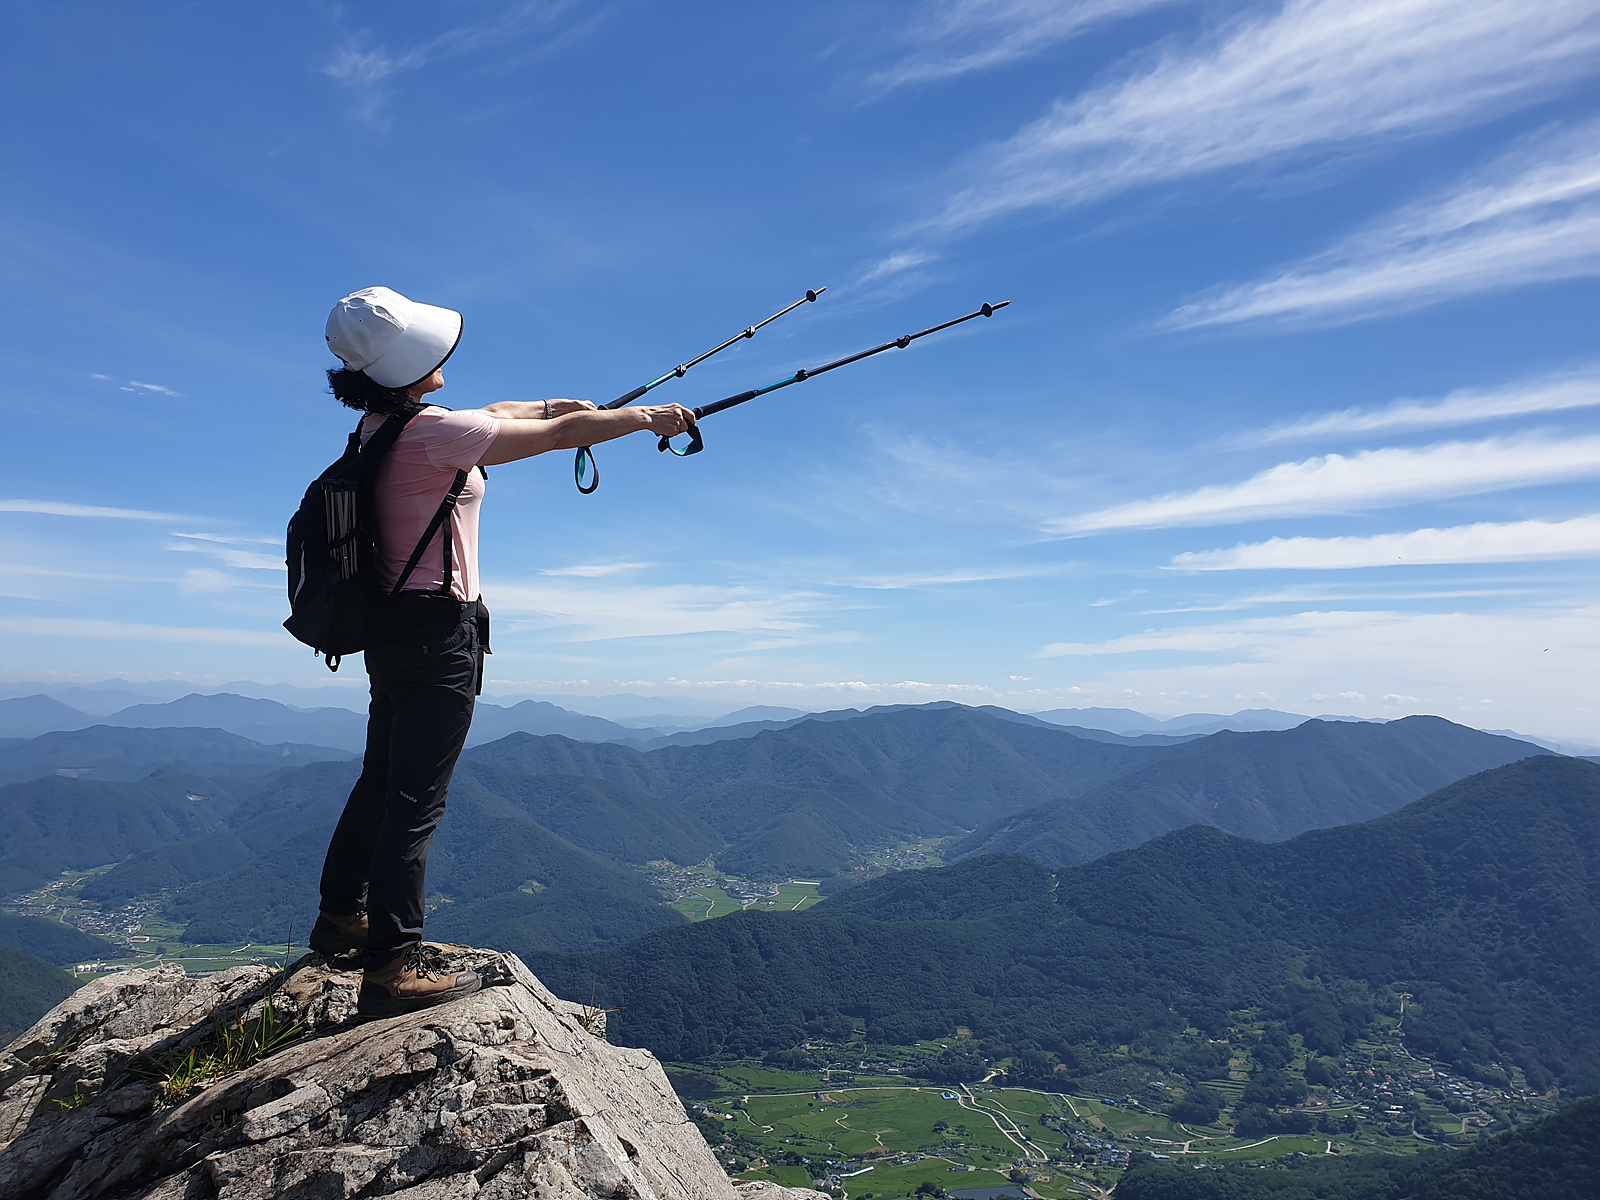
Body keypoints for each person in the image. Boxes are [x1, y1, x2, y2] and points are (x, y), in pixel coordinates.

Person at [307, 286, 693, 1017]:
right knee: (415, 801)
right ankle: (391, 968)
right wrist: (649, 418)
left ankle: (339, 918)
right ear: (407, 363)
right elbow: (551, 437)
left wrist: (553, 404)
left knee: (380, 780)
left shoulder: (378, 430)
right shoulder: (435, 433)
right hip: (439, 636)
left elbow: (505, 415)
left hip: (390, 632)